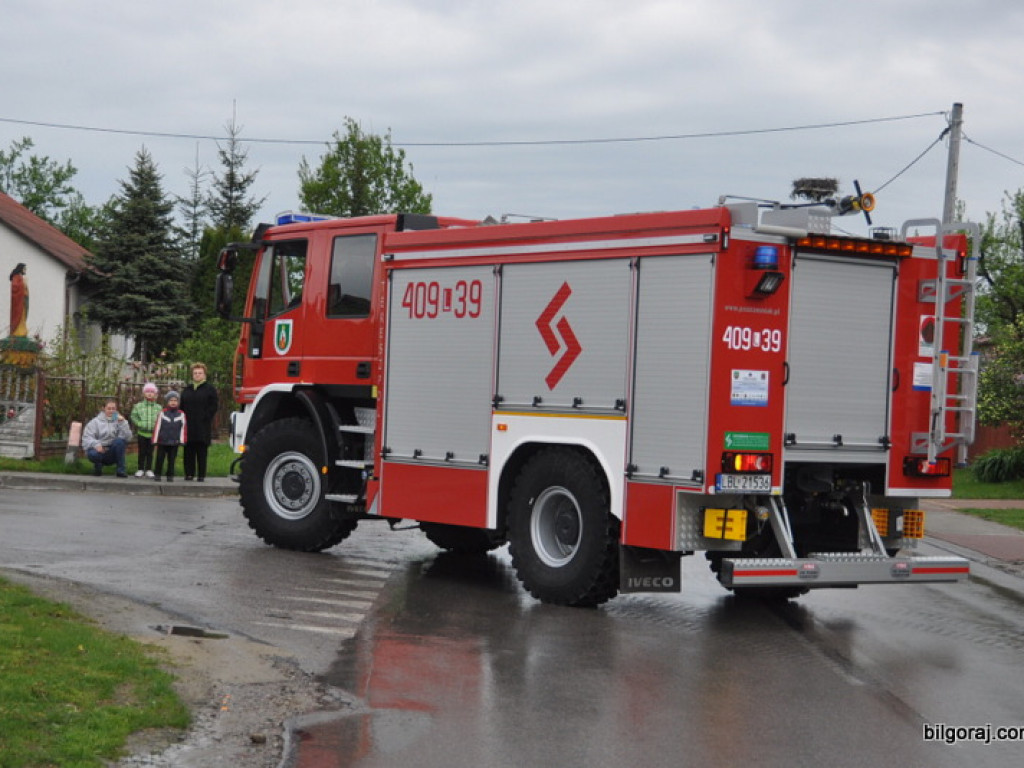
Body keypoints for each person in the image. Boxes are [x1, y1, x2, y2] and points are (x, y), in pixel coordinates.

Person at [180, 361, 218, 482]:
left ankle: (201, 475)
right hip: (189, 424)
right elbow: (182, 405)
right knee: (189, 450)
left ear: (204, 375)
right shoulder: (187, 389)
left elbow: (214, 406)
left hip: (202, 425)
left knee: (201, 451)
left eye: (200, 373)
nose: (197, 375)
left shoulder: (209, 389)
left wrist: (206, 417)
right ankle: (189, 474)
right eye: (195, 373)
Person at [82, 399, 132, 477]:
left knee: (120, 442)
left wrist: (123, 423)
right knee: (93, 454)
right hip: (99, 450)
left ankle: (120, 470)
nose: (111, 411)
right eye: (109, 408)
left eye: (113, 409)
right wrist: (96, 444)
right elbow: (86, 438)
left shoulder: (119, 420)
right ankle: (98, 466)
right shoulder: (95, 422)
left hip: (112, 451)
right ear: (104, 408)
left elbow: (128, 437)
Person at [152, 390, 187, 482]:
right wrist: (155, 440)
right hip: (162, 441)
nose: (173, 402)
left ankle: (170, 475)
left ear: (178, 402)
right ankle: (157, 474)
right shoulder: (162, 413)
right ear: (167, 402)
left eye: (175, 401)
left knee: (172, 460)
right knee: (159, 458)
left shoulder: (181, 414)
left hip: (174, 441)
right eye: (171, 400)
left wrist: (182, 440)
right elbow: (157, 427)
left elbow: (183, 428)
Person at [130, 382, 162, 478]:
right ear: (144, 393)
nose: (149, 394)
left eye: (152, 392)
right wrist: (139, 424)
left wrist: (157, 427)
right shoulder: (138, 406)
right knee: (142, 451)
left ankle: (148, 469)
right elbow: (133, 416)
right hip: (142, 433)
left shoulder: (158, 407)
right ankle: (140, 469)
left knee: (150, 452)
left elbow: (161, 418)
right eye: (147, 392)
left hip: (152, 434)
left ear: (155, 394)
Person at [9, 262, 28, 337]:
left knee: (22, 316)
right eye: (24, 269)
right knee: (18, 316)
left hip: (22, 301)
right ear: (21, 269)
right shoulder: (16, 277)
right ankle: (17, 331)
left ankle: (22, 330)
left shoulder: (21, 277)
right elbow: (14, 287)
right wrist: (23, 284)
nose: (25, 270)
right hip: (18, 302)